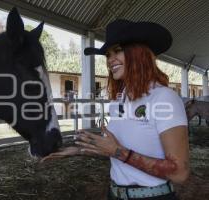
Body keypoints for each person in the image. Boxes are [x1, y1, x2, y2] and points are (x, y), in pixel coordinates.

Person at [42, 19, 190, 200]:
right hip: (115, 194)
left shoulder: (164, 98)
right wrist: (79, 150)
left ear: (139, 53)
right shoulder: (121, 99)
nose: (110, 60)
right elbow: (113, 150)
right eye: (108, 54)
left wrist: (118, 152)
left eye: (118, 51)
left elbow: (180, 173)